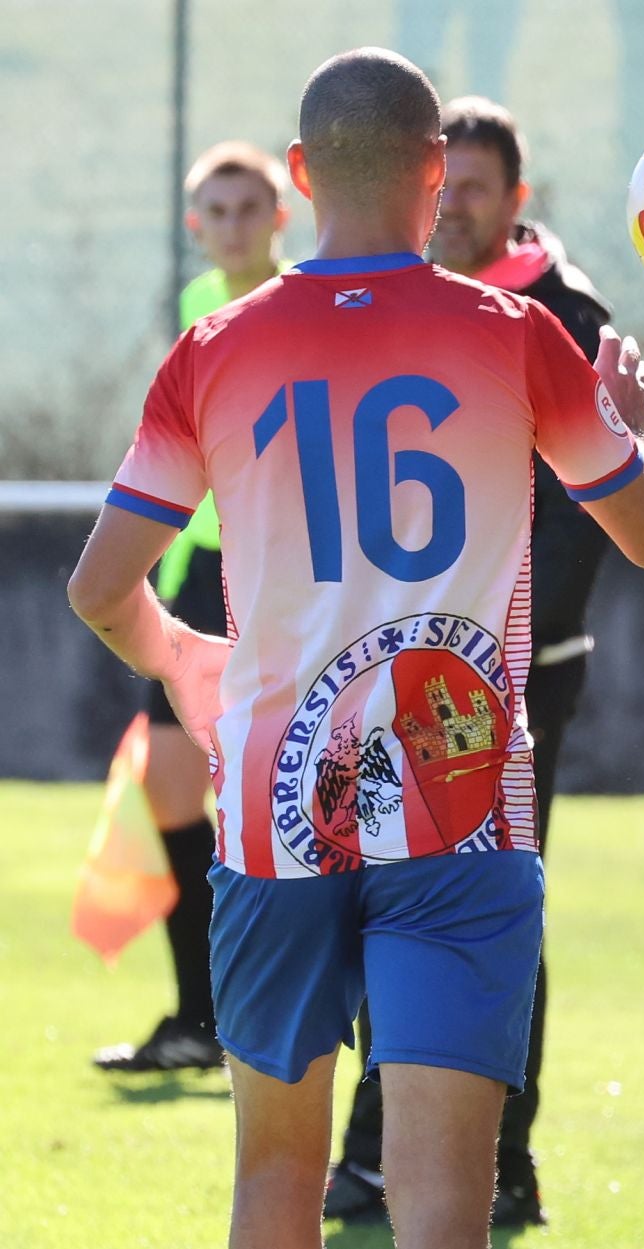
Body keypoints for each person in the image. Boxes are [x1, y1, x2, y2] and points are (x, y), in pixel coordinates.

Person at [66, 47, 644, 1247]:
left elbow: (101, 587)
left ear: (300, 176)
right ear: (437, 173)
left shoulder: (214, 349)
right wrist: (627, 432)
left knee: (274, 1188)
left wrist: (185, 658)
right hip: (459, 811)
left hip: (273, 809)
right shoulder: (518, 334)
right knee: (444, 1205)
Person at [317, 94, 618, 1228]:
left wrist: (505, 649)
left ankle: (502, 1157)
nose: (455, 206)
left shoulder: (564, 314)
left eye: (477, 186)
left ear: (514, 198)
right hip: (383, 662)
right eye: (442, 183)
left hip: (517, 674)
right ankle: (374, 1149)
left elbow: (584, 511)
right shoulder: (387, 301)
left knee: (491, 910)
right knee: (373, 899)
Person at [93, 140, 293, 1075]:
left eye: (248, 207)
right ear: (194, 226)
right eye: (215, 211)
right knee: (171, 789)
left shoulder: (298, 310)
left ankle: (271, 1021)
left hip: (279, 577)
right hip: (195, 575)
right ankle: (197, 1019)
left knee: (282, 798)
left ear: (280, 218)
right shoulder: (193, 311)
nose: (232, 225)